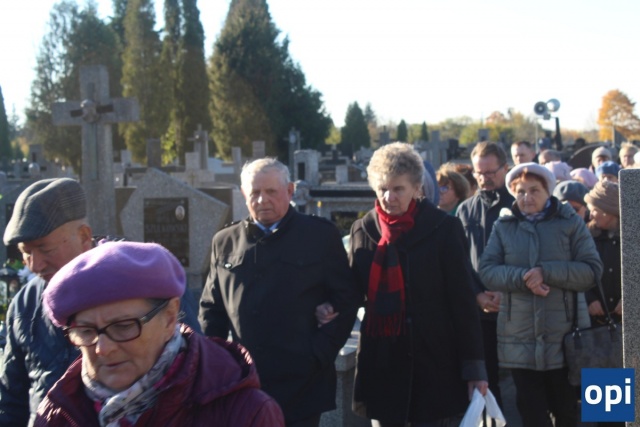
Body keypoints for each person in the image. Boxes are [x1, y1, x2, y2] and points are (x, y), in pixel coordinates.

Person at [0, 178, 200, 426]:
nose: (34, 265)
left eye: (45, 249)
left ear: (84, 235)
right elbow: (11, 400)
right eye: (26, 252)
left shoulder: (146, 280)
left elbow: (193, 372)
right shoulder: (25, 305)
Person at [36, 241, 284, 426]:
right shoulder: (57, 413)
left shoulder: (244, 414)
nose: (103, 348)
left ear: (169, 317)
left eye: (123, 326)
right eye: (86, 331)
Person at [199, 158, 360, 427]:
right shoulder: (225, 241)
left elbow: (346, 298)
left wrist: (319, 353)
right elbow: (211, 308)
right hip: (245, 382)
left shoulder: (319, 236)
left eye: (271, 191)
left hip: (301, 384)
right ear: (244, 194)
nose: (262, 200)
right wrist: (221, 360)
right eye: (255, 192)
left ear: (290, 191)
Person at [349, 142, 487, 426]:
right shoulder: (363, 229)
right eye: (382, 189)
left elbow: (462, 301)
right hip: (382, 359)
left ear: (416, 188)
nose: (388, 197)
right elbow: (351, 290)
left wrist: (474, 368)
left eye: (398, 189)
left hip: (434, 359)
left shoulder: (443, 228)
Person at [479, 162, 602, 427]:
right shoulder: (504, 226)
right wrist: (525, 278)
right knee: (531, 414)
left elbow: (592, 270)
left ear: (548, 191)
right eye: (520, 191)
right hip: (520, 337)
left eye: (534, 190)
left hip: (565, 336)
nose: (527, 197)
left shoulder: (569, 222)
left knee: (566, 412)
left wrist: (547, 272)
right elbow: (488, 271)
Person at [456, 141, 513, 408]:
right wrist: (477, 294)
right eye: (479, 173)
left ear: (505, 168)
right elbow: (459, 260)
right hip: (480, 308)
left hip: (515, 305)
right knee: (486, 381)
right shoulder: (465, 209)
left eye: (491, 172)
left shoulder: (519, 204)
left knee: (527, 384)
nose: (484, 178)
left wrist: (507, 292)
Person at [584, 181, 622, 326]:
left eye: (594, 210)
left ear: (609, 211)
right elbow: (577, 272)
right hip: (595, 322)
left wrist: (632, 298)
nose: (590, 216)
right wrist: (589, 299)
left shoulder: (632, 238)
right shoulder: (586, 237)